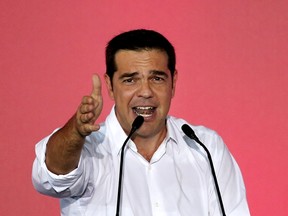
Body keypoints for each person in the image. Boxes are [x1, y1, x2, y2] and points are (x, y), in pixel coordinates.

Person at [32, 29, 250, 216]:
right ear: (109, 85)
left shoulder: (206, 148)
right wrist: (76, 133)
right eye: (130, 80)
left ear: (173, 83)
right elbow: (52, 176)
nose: (146, 92)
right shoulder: (89, 149)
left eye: (157, 78)